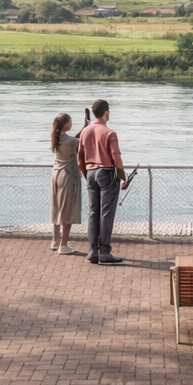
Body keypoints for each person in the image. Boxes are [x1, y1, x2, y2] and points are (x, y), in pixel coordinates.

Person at [77, 98, 130, 265]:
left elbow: (80, 159)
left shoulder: (85, 131)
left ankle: (93, 251)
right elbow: (116, 158)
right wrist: (123, 177)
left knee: (93, 213)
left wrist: (87, 176)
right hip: (106, 173)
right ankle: (105, 252)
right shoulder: (110, 133)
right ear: (106, 112)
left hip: (90, 172)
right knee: (106, 214)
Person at [49, 113, 83, 255]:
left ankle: (55, 240)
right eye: (70, 121)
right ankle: (64, 245)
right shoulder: (72, 142)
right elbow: (78, 141)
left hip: (56, 174)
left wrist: (84, 127)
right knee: (67, 210)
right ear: (66, 124)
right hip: (68, 176)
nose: (71, 123)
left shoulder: (55, 138)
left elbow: (73, 138)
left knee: (57, 207)